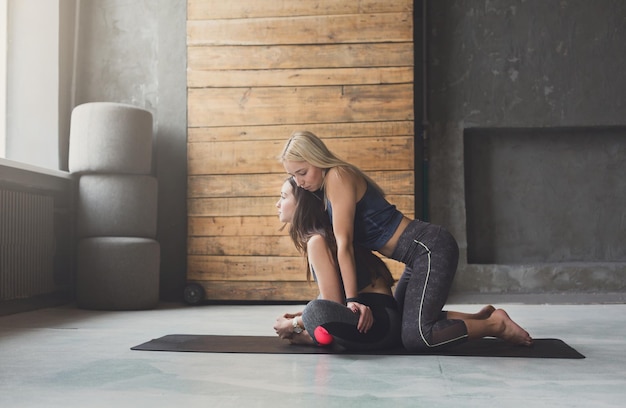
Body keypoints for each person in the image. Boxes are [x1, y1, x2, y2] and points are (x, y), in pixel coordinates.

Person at [279, 130, 533, 352]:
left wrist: (352, 301)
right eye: (295, 176)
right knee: (403, 321)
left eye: (303, 172)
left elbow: (344, 244)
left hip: (429, 248)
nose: (300, 182)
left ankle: (495, 325)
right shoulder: (327, 188)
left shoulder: (337, 176)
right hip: (417, 257)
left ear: (317, 158)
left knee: (418, 337)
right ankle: (481, 318)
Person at [273, 177, 402, 350]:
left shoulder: (317, 241)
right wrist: (302, 316)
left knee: (314, 310)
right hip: (379, 321)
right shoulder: (324, 235)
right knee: (312, 310)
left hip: (377, 325)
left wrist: (293, 324)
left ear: (302, 203)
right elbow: (335, 299)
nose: (277, 204)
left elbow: (331, 306)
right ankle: (315, 335)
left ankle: (308, 337)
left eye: (283, 196)